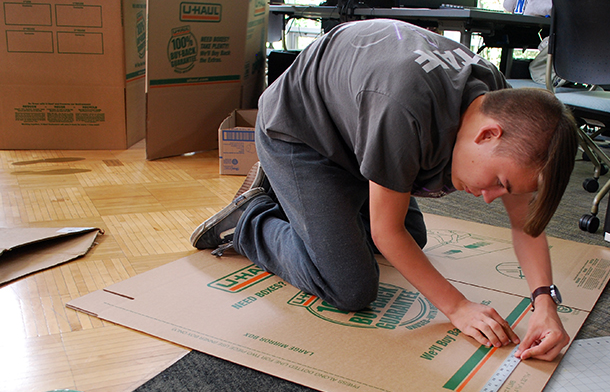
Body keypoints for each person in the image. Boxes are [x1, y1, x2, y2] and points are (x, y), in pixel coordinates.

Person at [192, 19, 578, 361]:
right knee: (349, 286)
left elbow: (523, 221)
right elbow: (385, 231)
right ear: (488, 134)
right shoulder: (404, 109)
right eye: (500, 183)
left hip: (360, 138)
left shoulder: (503, 105)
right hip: (301, 135)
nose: (493, 197)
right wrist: (458, 307)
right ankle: (249, 219)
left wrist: (544, 301)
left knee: (414, 238)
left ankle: (300, 201)